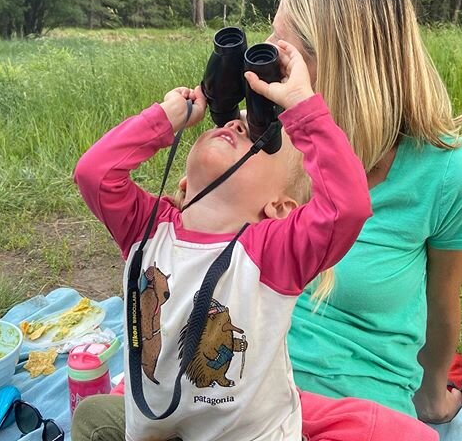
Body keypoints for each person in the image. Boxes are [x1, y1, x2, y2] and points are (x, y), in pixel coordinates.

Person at [73, 40, 438, 441]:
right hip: (161, 428)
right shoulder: (147, 228)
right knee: (93, 415)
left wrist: (301, 107)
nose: (235, 125)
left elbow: (347, 207)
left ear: (279, 207)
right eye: (231, 121)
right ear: (183, 182)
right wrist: (166, 119)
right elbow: (95, 173)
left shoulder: (272, 252)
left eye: (259, 136)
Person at [272, 0, 462, 424]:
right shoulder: (279, 144)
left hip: (351, 409)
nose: (267, 64)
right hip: (241, 383)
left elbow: (441, 299)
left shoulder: (453, 176)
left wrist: (433, 393)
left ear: (340, 64)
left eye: (281, 50)